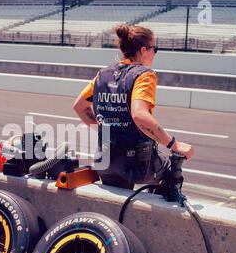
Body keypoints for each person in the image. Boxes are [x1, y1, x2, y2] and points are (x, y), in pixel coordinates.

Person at [73, 24, 194, 189]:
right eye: (155, 48)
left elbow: (79, 106)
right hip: (137, 165)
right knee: (170, 171)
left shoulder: (103, 74)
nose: (155, 53)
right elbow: (139, 115)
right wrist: (174, 144)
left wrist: (107, 130)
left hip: (104, 160)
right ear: (144, 50)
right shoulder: (144, 75)